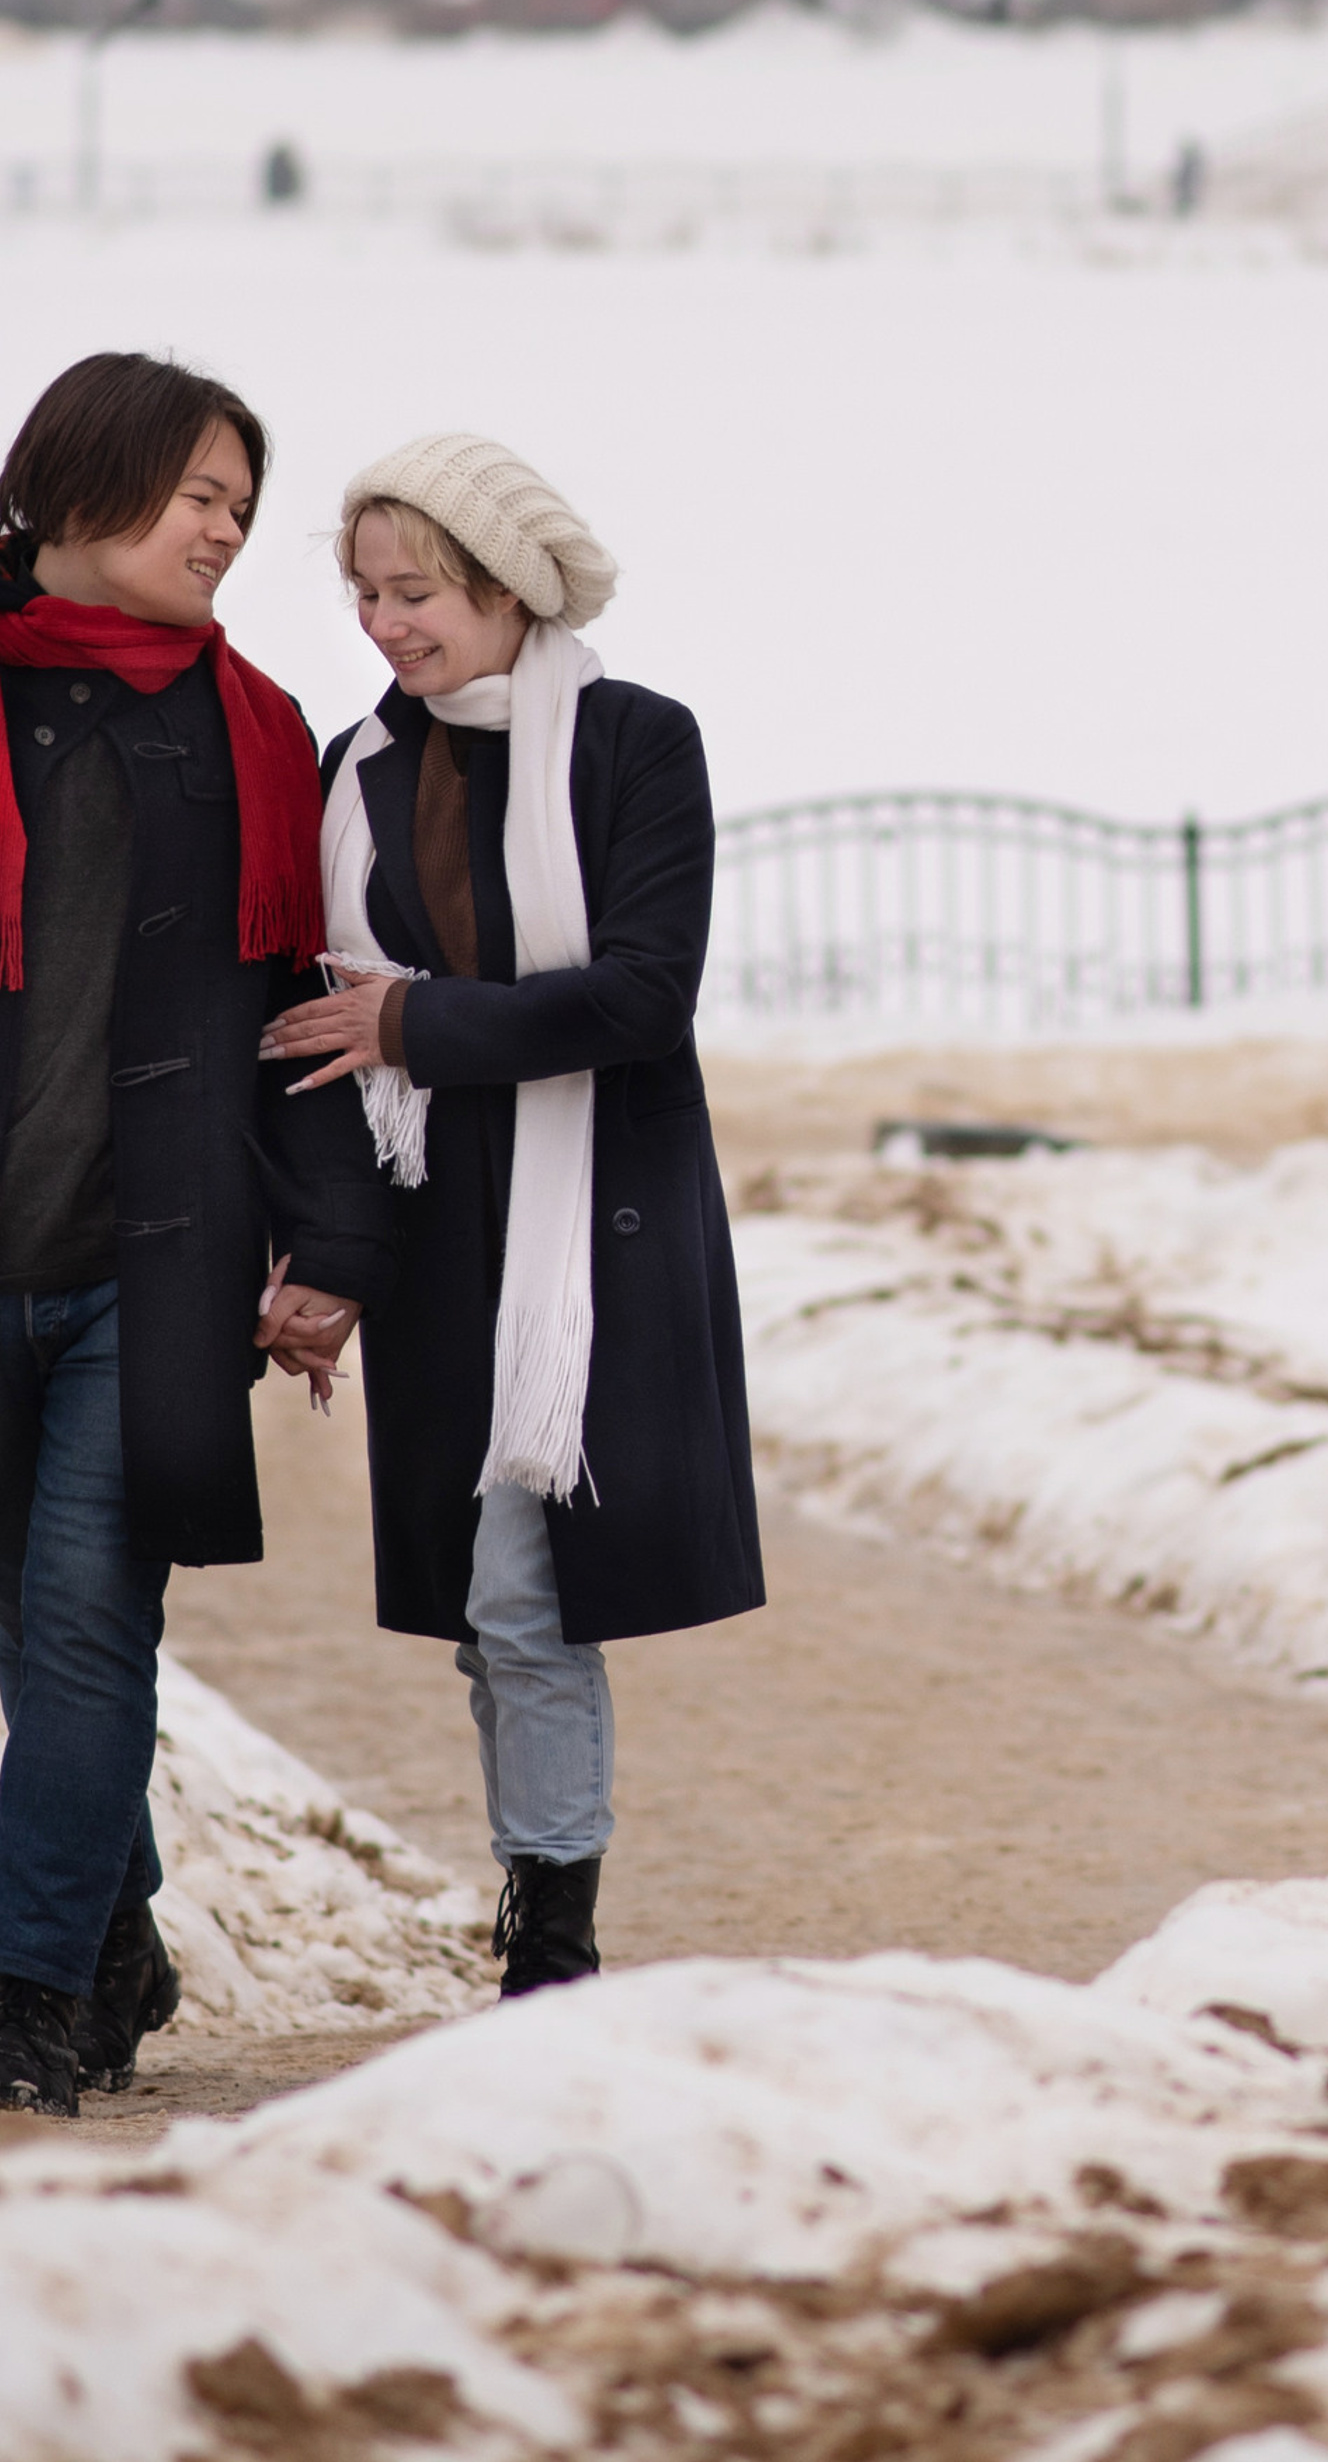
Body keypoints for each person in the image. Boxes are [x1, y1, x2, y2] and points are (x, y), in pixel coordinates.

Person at [261, 434, 761, 1995]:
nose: (386, 624)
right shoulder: (355, 771)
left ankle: (552, 1942)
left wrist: (414, 1022)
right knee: (496, 1610)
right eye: (365, 594)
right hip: (437, 1239)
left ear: (507, 586)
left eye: (416, 591)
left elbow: (640, 997)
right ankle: (543, 1903)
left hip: (590, 1234)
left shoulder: (633, 744)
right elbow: (316, 1034)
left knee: (524, 1595)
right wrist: (331, 1255)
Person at [0, 351, 389, 2118]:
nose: (226, 530)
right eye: (197, 495)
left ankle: (24, 1992)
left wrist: (331, 1247)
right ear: (84, 482)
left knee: (89, 1627)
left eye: (240, 504)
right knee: (31, 1642)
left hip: (143, 1273)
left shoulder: (254, 733)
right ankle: (115, 1940)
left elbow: (293, 1011)